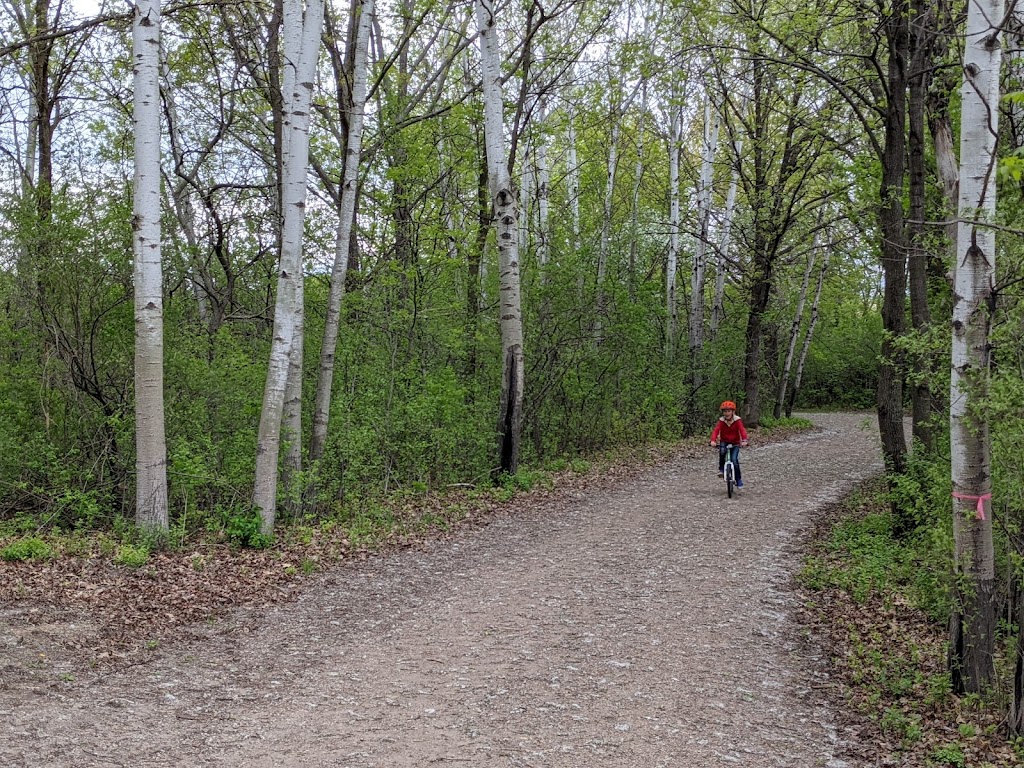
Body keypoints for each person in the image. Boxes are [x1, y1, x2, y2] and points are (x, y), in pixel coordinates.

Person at [709, 400, 749, 488]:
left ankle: (738, 479)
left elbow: (742, 430)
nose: (727, 413)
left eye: (728, 411)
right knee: (722, 451)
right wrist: (713, 440)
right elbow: (716, 430)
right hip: (724, 441)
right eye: (725, 411)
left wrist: (744, 440)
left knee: (734, 460)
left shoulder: (737, 420)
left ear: (733, 412)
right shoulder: (721, 421)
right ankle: (722, 469)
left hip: (735, 442)